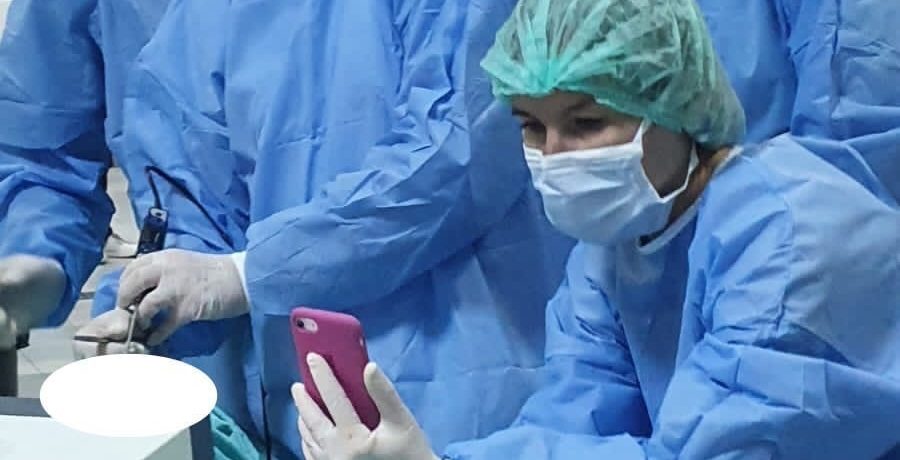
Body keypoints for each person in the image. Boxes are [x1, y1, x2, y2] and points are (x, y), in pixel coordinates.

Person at [292, 0, 900, 459]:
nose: (555, 155)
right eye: (532, 127)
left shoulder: (791, 234)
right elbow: (569, 419)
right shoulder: (611, 257)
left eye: (586, 124)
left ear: (676, 107)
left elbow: (728, 446)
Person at [80, 0, 574, 458]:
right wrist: (148, 316)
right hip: (289, 401)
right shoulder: (207, 17)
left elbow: (455, 154)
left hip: (458, 376)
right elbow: (190, 190)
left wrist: (250, 273)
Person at [0, 0, 262, 454]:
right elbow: (47, 149)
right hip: (185, 346)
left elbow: (397, 177)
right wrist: (35, 258)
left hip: (371, 336)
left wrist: (253, 272)